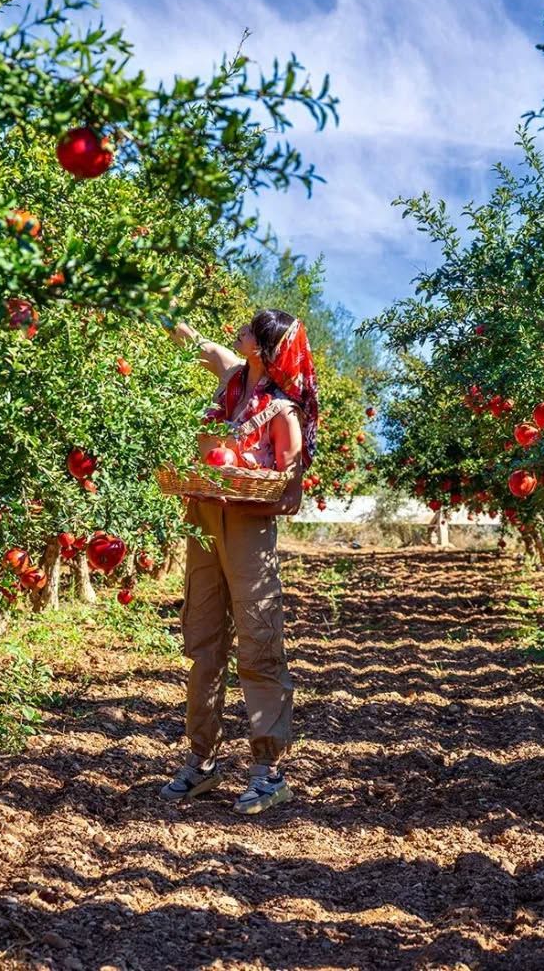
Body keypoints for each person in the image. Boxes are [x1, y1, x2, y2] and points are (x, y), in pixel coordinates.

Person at [162, 309, 319, 815]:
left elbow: (287, 489)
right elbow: (198, 344)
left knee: (257, 641)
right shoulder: (233, 376)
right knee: (203, 640)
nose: (241, 331)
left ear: (265, 347)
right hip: (204, 517)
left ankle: (268, 771)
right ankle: (201, 760)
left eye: (252, 329)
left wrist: (247, 470)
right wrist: (152, 306)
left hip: (249, 527)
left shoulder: (282, 411)